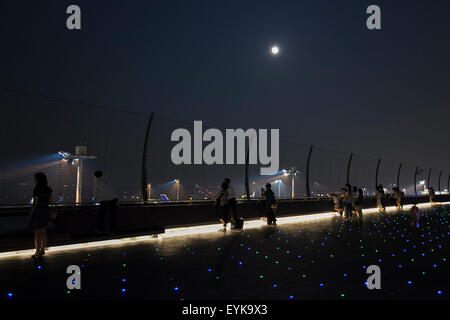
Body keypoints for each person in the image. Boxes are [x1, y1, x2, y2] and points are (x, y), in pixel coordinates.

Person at [28, 172, 53, 259]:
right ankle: (42, 250)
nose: (34, 180)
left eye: (35, 178)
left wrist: (31, 214)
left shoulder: (37, 189)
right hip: (45, 212)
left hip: (38, 212)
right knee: (43, 232)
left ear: (38, 179)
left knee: (37, 233)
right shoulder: (48, 189)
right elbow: (49, 201)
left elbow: (35, 203)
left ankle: (37, 252)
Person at [93, 170, 119, 235]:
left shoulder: (97, 181)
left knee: (101, 215)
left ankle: (99, 229)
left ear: (95, 176)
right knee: (112, 216)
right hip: (114, 198)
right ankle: (112, 231)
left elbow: (95, 192)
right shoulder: (107, 179)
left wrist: (96, 200)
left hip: (105, 199)